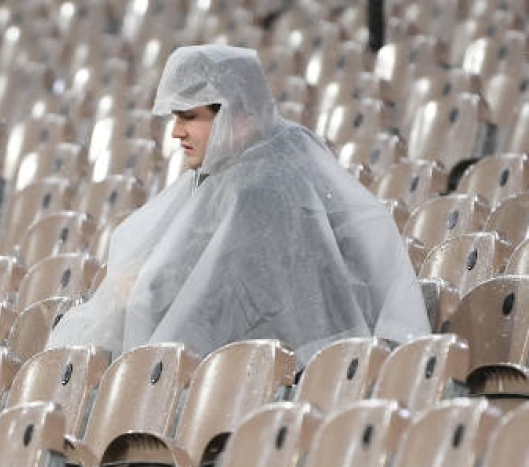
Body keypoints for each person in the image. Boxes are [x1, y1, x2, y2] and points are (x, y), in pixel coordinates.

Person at [45, 44, 429, 368]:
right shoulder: (240, 171)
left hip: (278, 375)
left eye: (190, 117)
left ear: (238, 117)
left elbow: (214, 297)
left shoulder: (262, 187)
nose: (177, 132)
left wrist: (143, 288)